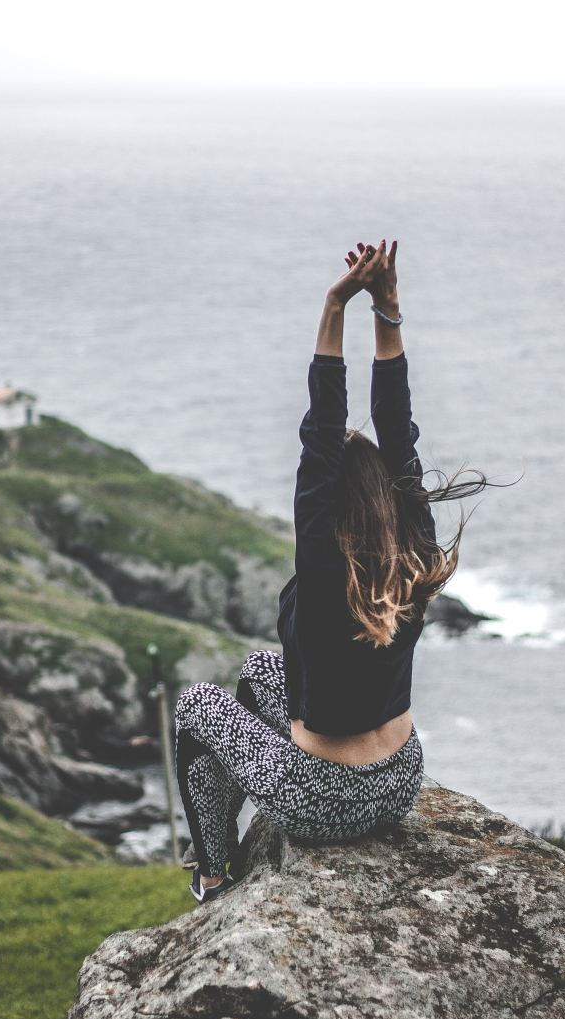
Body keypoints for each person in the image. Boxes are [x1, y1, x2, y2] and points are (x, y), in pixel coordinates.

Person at [175, 238, 484, 905]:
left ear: (331, 503)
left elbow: (321, 432)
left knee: (195, 706)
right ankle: (228, 842)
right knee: (261, 671)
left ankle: (212, 873)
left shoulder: (323, 571)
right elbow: (400, 432)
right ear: (385, 496)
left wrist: (335, 306)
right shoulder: (416, 553)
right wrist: (389, 310)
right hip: (399, 778)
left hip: (325, 800)